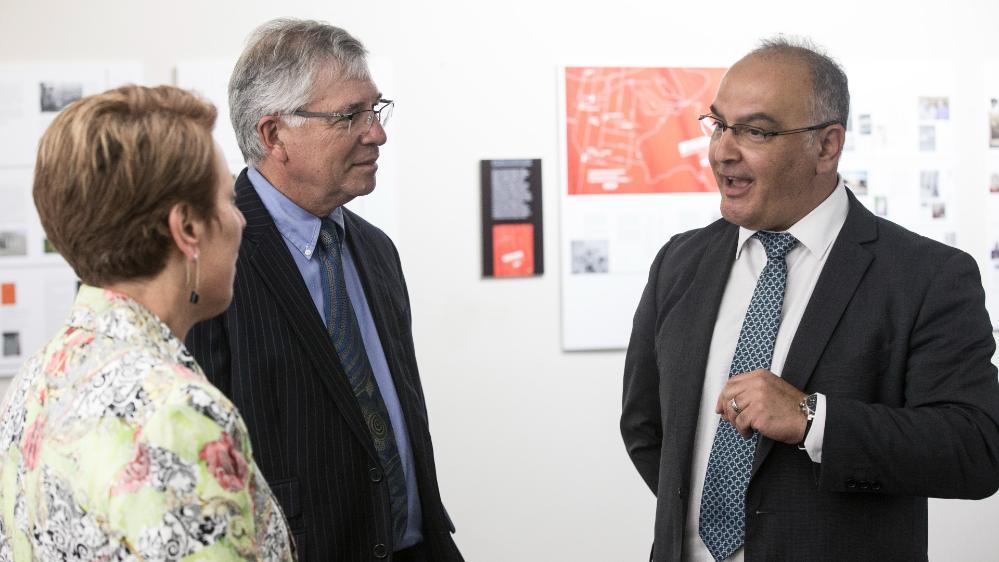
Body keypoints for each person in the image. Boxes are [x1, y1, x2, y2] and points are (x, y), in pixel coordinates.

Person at [621, 37, 999, 561]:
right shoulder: (679, 263)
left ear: (826, 146)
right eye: (718, 123)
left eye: (755, 131)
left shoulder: (926, 276)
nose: (722, 150)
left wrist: (812, 419)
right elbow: (645, 429)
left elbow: (975, 449)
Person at [186, 19, 462, 562]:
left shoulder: (375, 249)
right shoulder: (213, 257)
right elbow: (204, 452)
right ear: (273, 135)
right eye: (349, 116)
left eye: (375, 110)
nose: (376, 133)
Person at [0, 85, 294, 560]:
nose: (240, 221)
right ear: (188, 229)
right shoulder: (176, 414)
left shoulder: (37, 377)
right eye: (228, 200)